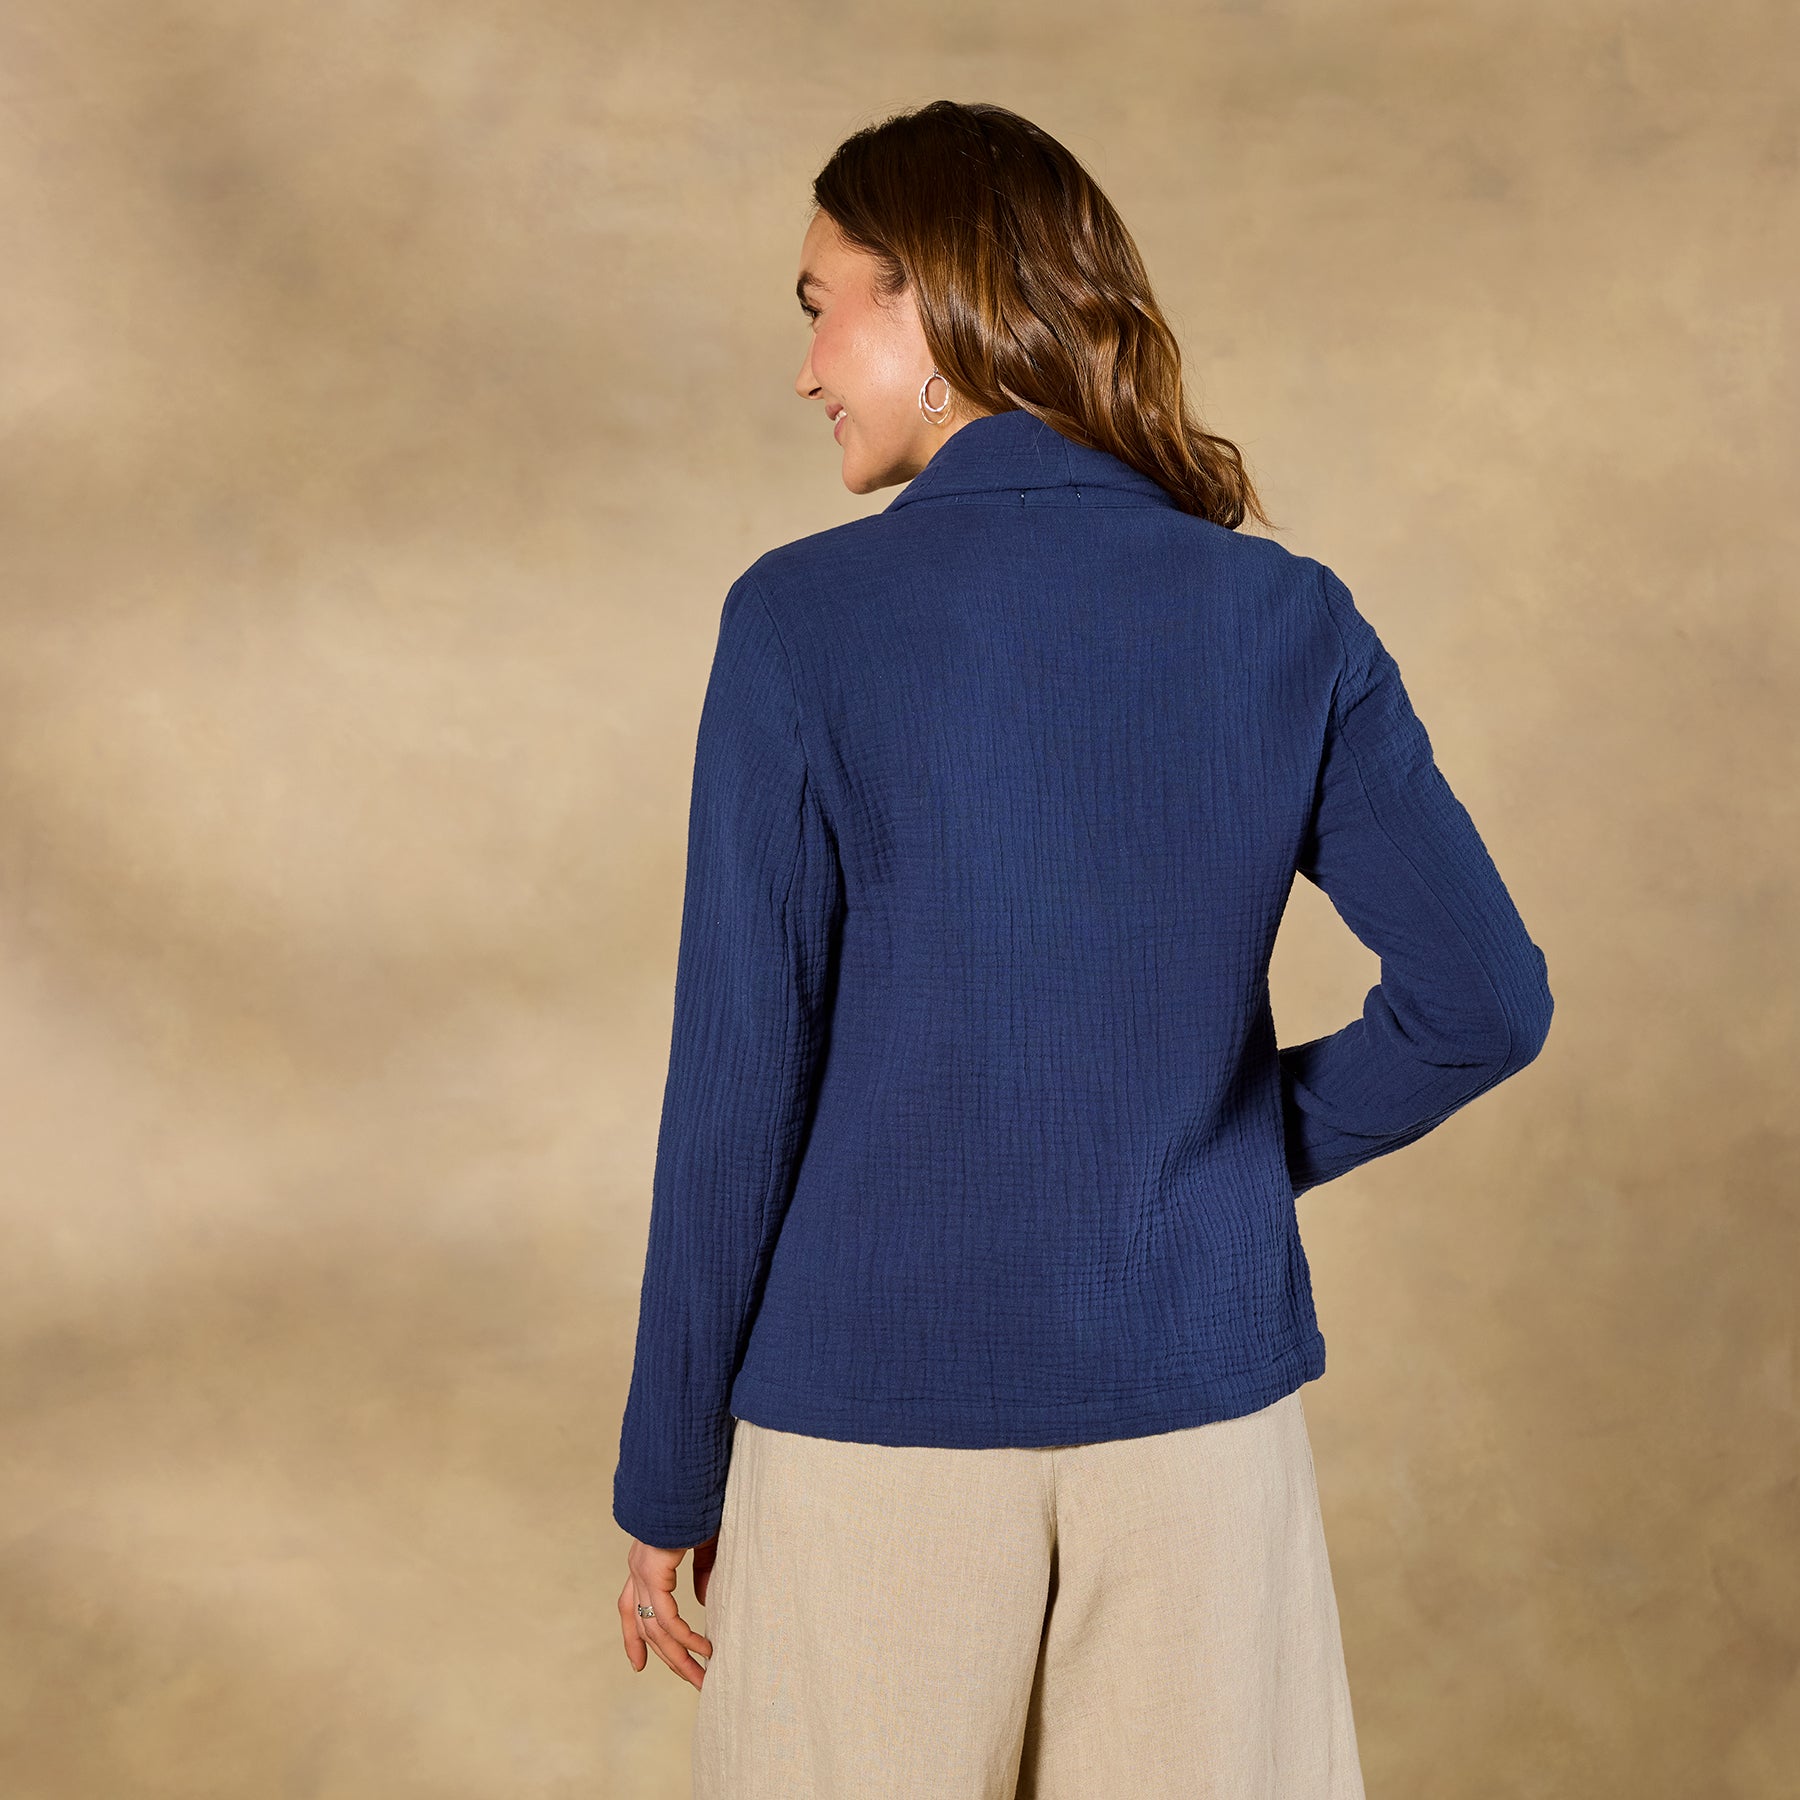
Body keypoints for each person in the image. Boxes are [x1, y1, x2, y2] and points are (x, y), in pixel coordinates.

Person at [612, 99, 1553, 1798]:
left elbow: (739, 1084)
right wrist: (1222, 1159)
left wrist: (668, 1478)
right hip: (1198, 1437)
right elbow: (1484, 1001)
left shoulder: (802, 622)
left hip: (866, 1436)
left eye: (823, 306)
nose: (807, 367)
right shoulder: (1285, 617)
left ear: (932, 305)